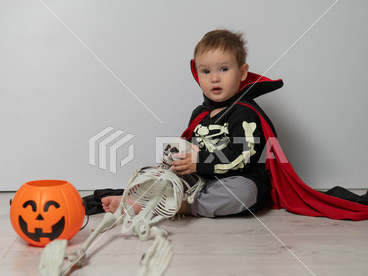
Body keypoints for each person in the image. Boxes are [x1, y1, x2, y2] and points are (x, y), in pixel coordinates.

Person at [102, 29, 281, 217]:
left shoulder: (244, 113)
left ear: (242, 72)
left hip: (236, 178)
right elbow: (193, 148)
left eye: (224, 69)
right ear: (197, 74)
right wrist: (181, 160)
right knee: (170, 158)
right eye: (205, 71)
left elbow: (241, 156)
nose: (214, 78)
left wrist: (199, 162)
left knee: (243, 192)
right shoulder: (200, 113)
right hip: (202, 179)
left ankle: (179, 207)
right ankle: (143, 197)